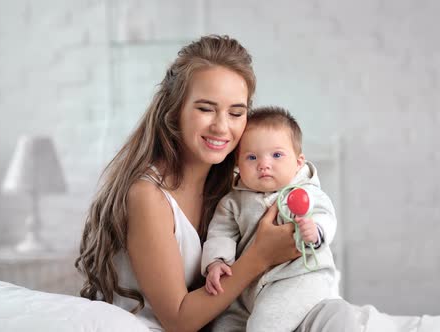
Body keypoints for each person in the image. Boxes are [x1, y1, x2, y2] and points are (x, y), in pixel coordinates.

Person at [75, 35, 358, 332]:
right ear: (174, 110)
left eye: (236, 113)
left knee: (338, 316)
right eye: (205, 109)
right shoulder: (148, 196)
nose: (222, 126)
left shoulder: (232, 186)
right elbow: (178, 320)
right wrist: (260, 255)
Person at [201, 106, 341, 332]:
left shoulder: (305, 192)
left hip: (298, 277)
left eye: (277, 155)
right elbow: (221, 233)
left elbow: (325, 215)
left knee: (265, 324)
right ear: (238, 164)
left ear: (298, 162)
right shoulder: (232, 202)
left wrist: (314, 231)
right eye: (252, 157)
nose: (264, 164)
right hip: (248, 287)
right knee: (223, 324)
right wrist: (216, 262)